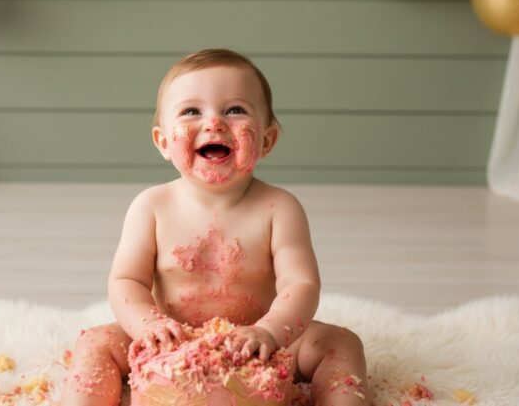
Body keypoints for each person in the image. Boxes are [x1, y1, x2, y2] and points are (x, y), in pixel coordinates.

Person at [59, 49, 368, 406]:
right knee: (96, 343)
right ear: (163, 142)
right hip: (172, 339)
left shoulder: (280, 208)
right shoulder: (151, 207)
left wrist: (270, 331)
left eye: (235, 110)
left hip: (258, 344)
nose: (214, 123)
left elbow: (300, 283)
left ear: (267, 140)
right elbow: (126, 281)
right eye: (191, 111)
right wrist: (149, 327)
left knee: (341, 343)